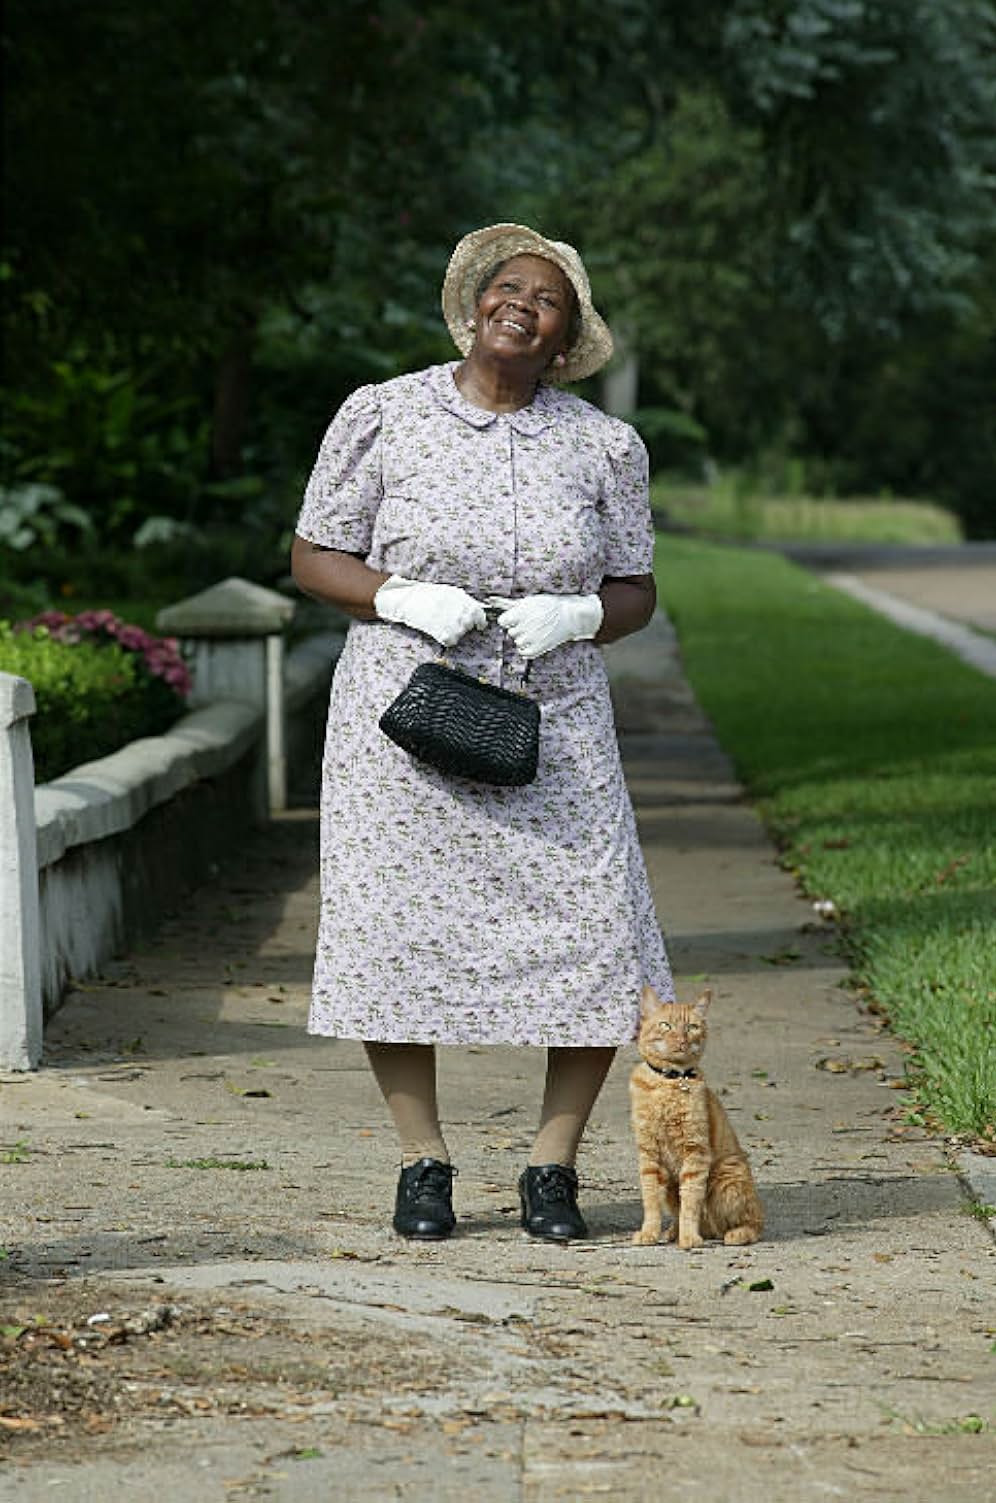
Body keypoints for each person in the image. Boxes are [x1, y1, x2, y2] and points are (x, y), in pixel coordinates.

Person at [291, 222, 675, 1243]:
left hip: (556, 715)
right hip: (405, 712)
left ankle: (551, 1168)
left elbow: (634, 584)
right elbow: (312, 553)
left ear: (566, 336)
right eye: (507, 287)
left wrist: (586, 615)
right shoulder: (382, 415)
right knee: (395, 931)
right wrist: (396, 596)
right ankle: (424, 1162)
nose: (522, 303)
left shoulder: (603, 445)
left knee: (596, 935)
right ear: (473, 306)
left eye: (546, 299)